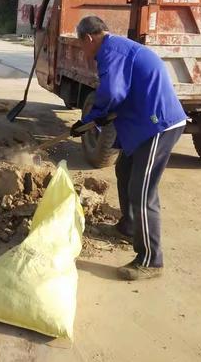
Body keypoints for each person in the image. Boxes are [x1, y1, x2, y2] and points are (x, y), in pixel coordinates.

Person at [71, 16, 187, 281]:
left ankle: (151, 260)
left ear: (89, 38)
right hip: (143, 123)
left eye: (81, 46)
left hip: (159, 124)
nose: (85, 53)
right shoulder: (117, 48)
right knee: (124, 169)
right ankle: (129, 226)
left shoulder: (110, 51)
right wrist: (88, 122)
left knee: (142, 190)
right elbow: (119, 94)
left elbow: (112, 93)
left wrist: (92, 117)